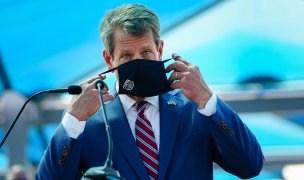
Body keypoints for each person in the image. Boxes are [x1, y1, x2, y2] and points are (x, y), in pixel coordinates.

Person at [36, 4, 264, 179]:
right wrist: (73, 119)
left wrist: (208, 99)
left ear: (160, 49)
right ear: (109, 59)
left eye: (146, 52)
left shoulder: (195, 108)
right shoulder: (89, 121)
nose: (138, 62)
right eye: (126, 56)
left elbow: (250, 165)